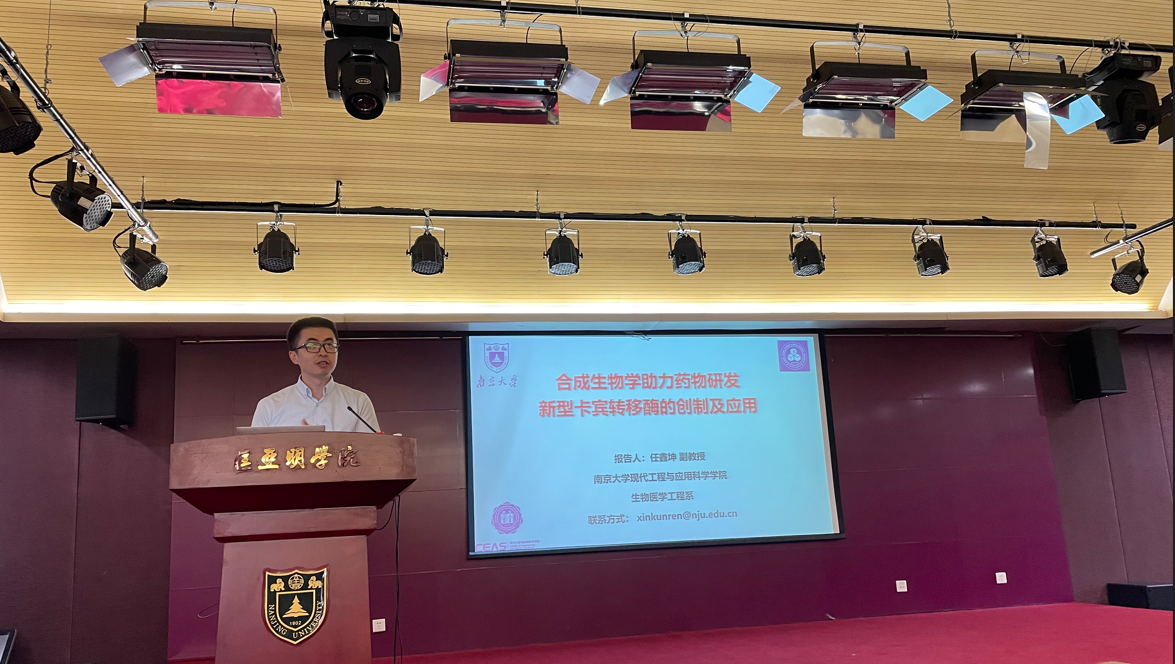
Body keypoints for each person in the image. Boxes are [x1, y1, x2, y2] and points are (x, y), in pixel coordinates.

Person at [251, 316, 380, 432]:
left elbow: (372, 448)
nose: (323, 352)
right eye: (312, 345)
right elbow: (254, 449)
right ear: (294, 357)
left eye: (329, 345)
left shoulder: (358, 402)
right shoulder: (269, 406)